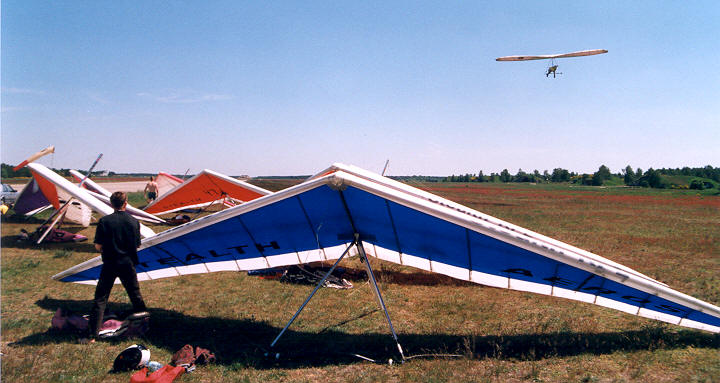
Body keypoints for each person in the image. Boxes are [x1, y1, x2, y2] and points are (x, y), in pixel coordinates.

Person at [88, 191, 148, 341]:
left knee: (101, 298)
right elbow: (137, 245)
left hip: (110, 263)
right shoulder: (133, 221)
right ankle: (144, 324)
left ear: (111, 204)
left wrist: (106, 249)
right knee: (135, 294)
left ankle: (92, 335)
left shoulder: (104, 221)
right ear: (125, 203)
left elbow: (98, 245)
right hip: (127, 263)